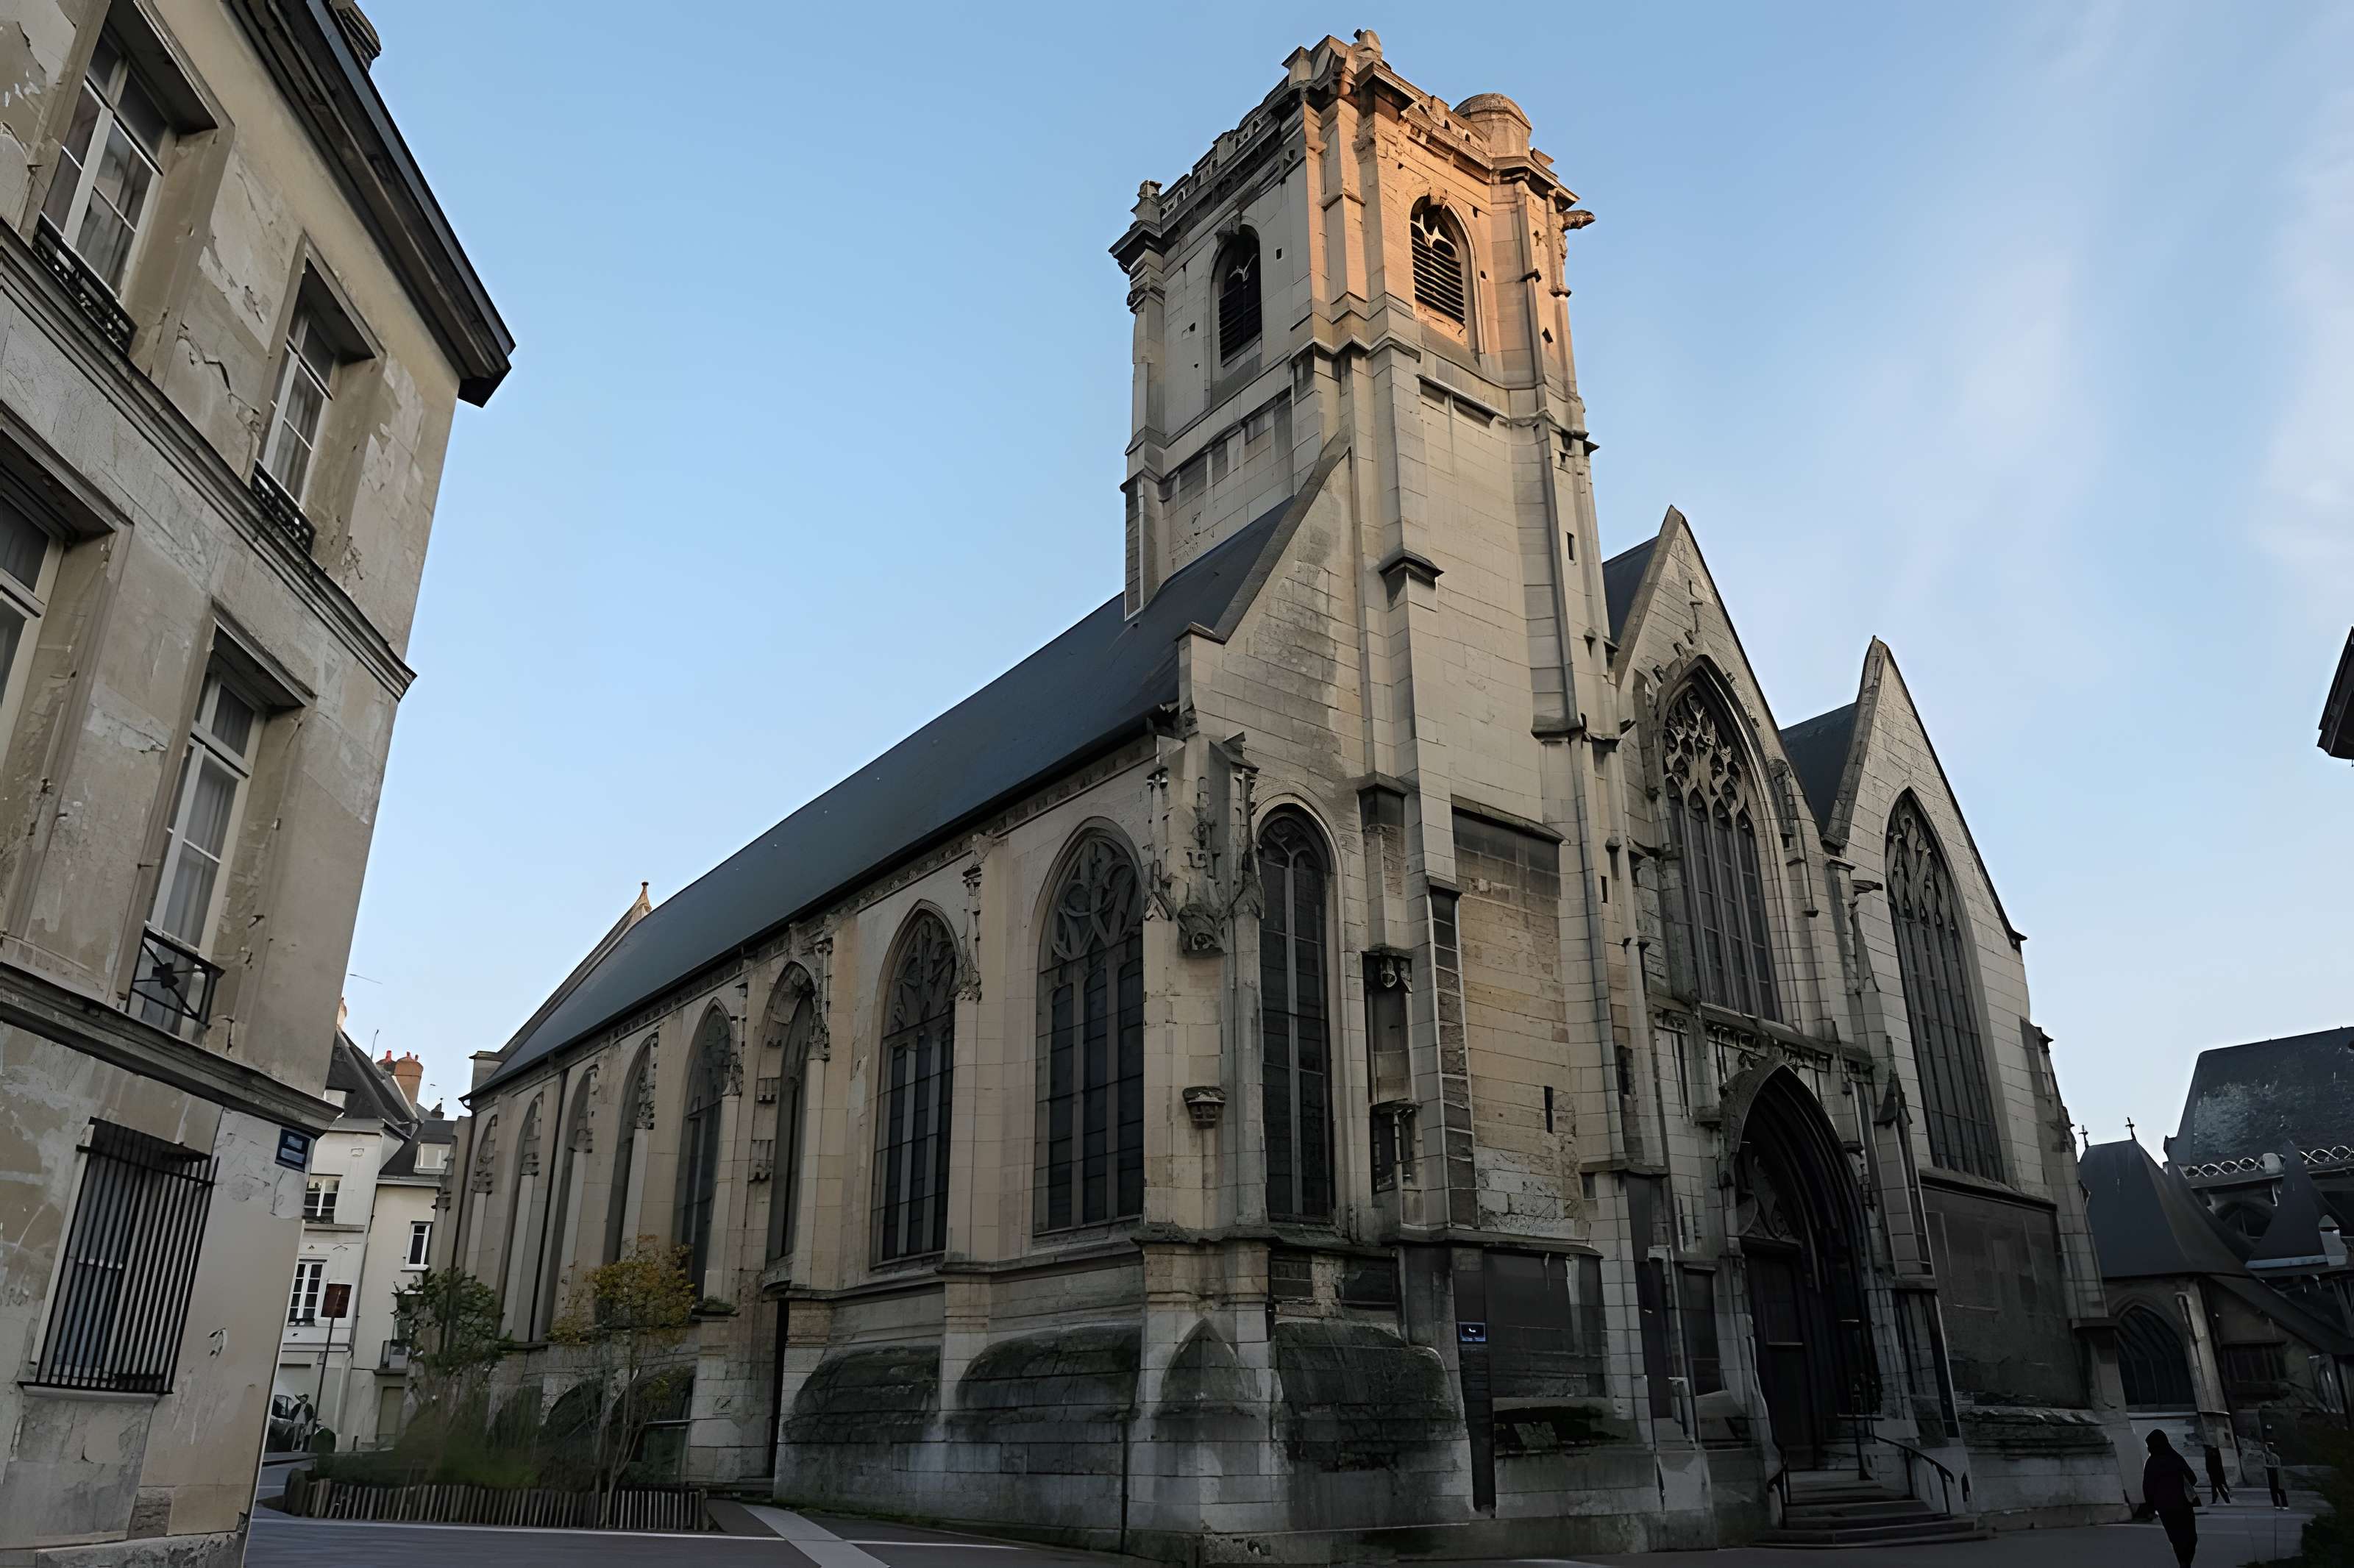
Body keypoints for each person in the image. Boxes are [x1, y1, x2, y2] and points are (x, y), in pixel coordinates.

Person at [2144, 1430, 2201, 1568]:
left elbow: (2147, 1487)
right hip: (2183, 1504)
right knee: (2190, 1537)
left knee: (2176, 1538)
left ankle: (2183, 1563)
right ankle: (2186, 1563)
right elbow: (2193, 1478)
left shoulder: (2151, 1462)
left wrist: (2150, 1509)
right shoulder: (2175, 1457)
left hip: (2164, 1507)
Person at [2202, 1439, 2232, 1505]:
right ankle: (2219, 1500)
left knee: (2218, 1487)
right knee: (2216, 1487)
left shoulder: (2210, 1453)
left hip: (2214, 1473)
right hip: (2215, 1472)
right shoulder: (2213, 1452)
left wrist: (2209, 1471)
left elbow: (2210, 1464)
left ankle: (2225, 1500)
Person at [2265, 1442, 2289, 1510]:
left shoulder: (2273, 1456)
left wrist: (2267, 1466)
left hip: (2276, 1474)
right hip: (2274, 1474)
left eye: (2266, 1447)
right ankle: (2278, 1505)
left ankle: (2283, 1505)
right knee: (2275, 1490)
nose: (2265, 1449)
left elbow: (2276, 1465)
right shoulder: (2270, 1456)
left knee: (2279, 1490)